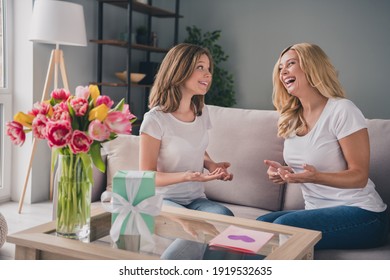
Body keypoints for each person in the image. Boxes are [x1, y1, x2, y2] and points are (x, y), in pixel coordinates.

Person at [257, 42, 389, 250]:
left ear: (311, 66)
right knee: (259, 226)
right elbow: (309, 166)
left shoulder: (342, 110)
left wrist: (316, 176)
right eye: (280, 68)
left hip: (363, 214)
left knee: (285, 227)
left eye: (291, 64)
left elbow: (359, 176)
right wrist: (285, 173)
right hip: (315, 210)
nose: (284, 72)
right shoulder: (292, 118)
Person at [139, 43, 234, 216]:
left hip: (196, 199)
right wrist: (187, 176)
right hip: (162, 199)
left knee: (224, 217)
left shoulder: (201, 112)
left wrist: (211, 165)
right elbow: (147, 176)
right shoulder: (155, 119)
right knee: (190, 225)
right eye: (200, 67)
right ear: (179, 71)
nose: (208, 74)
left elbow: (198, 149)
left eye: (208, 68)